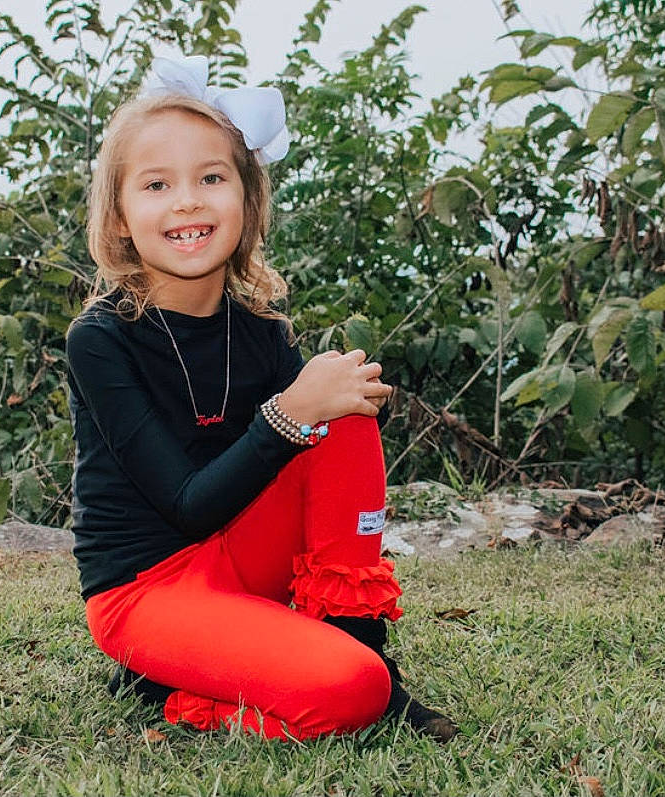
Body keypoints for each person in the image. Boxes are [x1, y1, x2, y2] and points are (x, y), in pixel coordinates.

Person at [64, 55, 457, 743]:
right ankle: (182, 686)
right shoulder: (100, 340)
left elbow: (315, 457)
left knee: (343, 410)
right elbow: (188, 505)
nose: (187, 201)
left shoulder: (262, 335)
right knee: (352, 693)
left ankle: (357, 638)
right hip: (145, 587)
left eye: (211, 178)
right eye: (157, 184)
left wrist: (350, 401)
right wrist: (291, 413)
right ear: (121, 216)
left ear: (246, 202)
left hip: (240, 563)